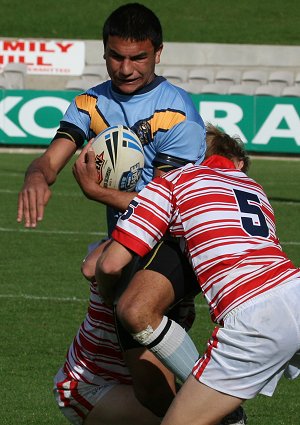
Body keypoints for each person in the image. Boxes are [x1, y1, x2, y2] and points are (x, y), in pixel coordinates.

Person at [16, 2, 206, 422]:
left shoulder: (178, 114)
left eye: (137, 56)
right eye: (116, 56)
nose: (125, 67)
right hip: (129, 253)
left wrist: (97, 194)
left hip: (169, 252)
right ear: (104, 53)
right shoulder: (90, 104)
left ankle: (221, 411)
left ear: (159, 52)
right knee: (142, 386)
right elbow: (50, 159)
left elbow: (171, 208)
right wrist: (36, 176)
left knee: (123, 384)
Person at [95, 124, 300, 424]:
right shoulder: (254, 188)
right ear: (237, 163)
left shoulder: (176, 181)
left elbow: (110, 264)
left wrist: (106, 290)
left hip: (254, 317)